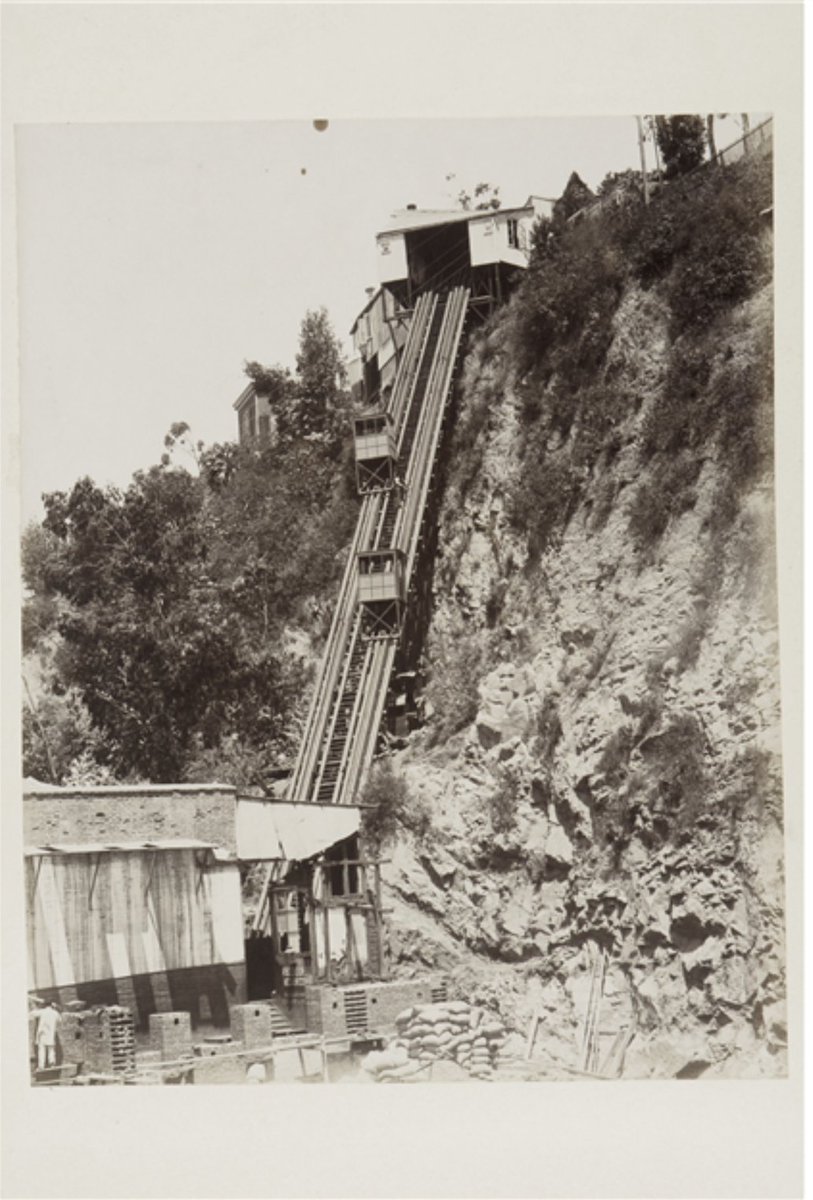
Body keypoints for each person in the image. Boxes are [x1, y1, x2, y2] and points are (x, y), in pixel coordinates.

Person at [36, 1000, 60, 1070]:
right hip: (51, 1033)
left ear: (45, 1005)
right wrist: (55, 1008)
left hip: (43, 1033)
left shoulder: (42, 1011)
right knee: (51, 1049)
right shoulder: (55, 1013)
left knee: (41, 1049)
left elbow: (32, 1014)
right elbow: (60, 1020)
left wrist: (36, 1007)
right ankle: (52, 1064)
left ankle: (41, 1066)